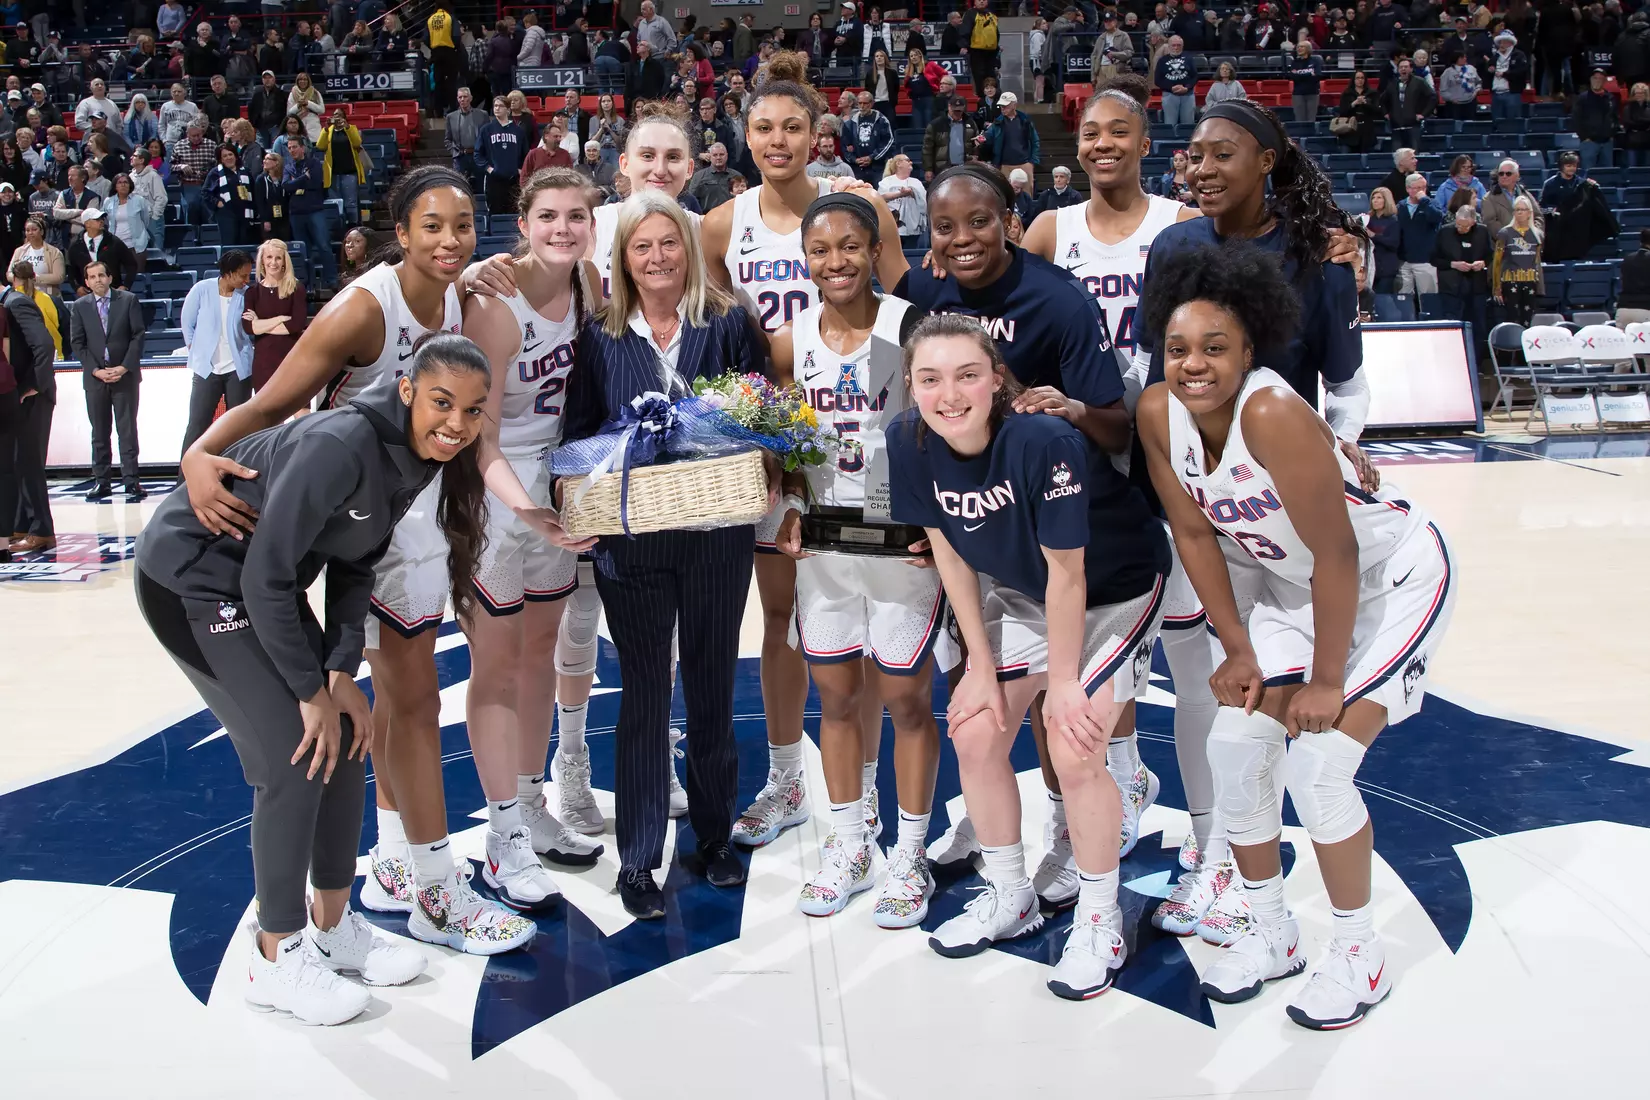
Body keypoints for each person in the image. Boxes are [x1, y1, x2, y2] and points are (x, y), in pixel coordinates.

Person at [178, 167, 560, 954]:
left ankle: (393, 859)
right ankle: (434, 889)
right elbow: (273, 402)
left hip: (410, 517)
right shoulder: (363, 307)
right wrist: (196, 456)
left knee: (396, 703)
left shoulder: (466, 295)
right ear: (401, 228)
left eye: (462, 225)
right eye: (431, 226)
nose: (450, 241)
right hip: (362, 517)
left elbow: (556, 250)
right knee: (413, 701)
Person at [1136, 240, 1455, 1031]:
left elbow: (1340, 553)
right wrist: (1238, 649)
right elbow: (1196, 536)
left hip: (1388, 580)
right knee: (1235, 750)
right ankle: (1271, 933)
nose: (1194, 365)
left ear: (1251, 348)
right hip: (1288, 586)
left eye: (1216, 347)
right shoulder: (1155, 413)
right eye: (1178, 349)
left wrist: (1323, 680)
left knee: (1318, 773)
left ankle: (1358, 954)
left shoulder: (1272, 412)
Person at [132, 337, 498, 1025]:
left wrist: (338, 672)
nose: (457, 424)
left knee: (350, 735)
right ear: (408, 388)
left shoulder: (423, 453)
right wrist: (310, 692)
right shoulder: (339, 443)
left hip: (258, 589)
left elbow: (358, 565)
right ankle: (275, 957)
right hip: (196, 583)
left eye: (474, 412)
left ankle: (334, 931)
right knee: (294, 758)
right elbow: (264, 575)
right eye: (444, 402)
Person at [889, 312, 1167, 997]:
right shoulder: (907, 440)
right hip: (1022, 594)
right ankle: (1009, 891)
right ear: (911, 385)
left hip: (1114, 588)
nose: (948, 394)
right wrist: (980, 667)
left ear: (996, 380)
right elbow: (950, 552)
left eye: (966, 376)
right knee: (975, 729)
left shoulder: (1044, 440)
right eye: (930, 379)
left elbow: (1070, 574)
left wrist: (1065, 683)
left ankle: (1101, 918)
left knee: (1073, 744)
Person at [704, 62, 907, 851]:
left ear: (817, 133)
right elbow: (725, 339)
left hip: (866, 435)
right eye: (763, 128)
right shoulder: (722, 225)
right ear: (744, 136)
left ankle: (872, 795)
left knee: (874, 621)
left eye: (792, 127)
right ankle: (788, 778)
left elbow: (906, 316)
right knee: (784, 616)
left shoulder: (861, 209)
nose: (778, 141)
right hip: (783, 440)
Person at [557, 191, 763, 919]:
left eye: (668, 244)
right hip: (633, 541)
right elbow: (578, 437)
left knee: (711, 685)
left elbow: (761, 414)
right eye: (641, 248)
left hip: (716, 534)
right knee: (644, 693)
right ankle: (639, 858)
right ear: (623, 261)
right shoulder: (600, 337)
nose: (657, 259)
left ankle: (713, 838)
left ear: (689, 249)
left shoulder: (729, 322)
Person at [768, 193, 939, 925]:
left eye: (848, 246)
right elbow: (785, 443)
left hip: (903, 540)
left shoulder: (912, 328)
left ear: (875, 251)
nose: (834, 261)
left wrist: (940, 518)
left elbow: (949, 423)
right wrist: (790, 509)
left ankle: (909, 854)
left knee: (904, 699)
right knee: (834, 696)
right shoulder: (790, 339)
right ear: (803, 258)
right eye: (819, 249)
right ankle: (849, 845)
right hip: (827, 544)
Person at [459, 168, 607, 911]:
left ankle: (528, 804)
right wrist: (525, 510)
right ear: (522, 222)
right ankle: (500, 838)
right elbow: (474, 438)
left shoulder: (591, 289)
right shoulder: (495, 303)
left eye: (576, 216)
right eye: (547, 215)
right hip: (494, 494)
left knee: (540, 657)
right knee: (494, 666)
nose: (562, 228)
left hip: (554, 483)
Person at [70, 259, 145, 501]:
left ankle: (131, 481)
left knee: (127, 430)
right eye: (92, 277)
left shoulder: (128, 301)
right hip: (96, 379)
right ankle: (102, 482)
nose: (98, 280)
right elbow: (77, 344)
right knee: (99, 433)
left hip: (124, 377)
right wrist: (95, 370)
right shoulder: (80, 306)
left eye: (101, 275)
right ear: (87, 282)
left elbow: (138, 336)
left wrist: (124, 367)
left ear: (110, 278)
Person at [180, 250, 256, 452]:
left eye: (249, 275)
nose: (247, 280)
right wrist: (195, 350)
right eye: (243, 275)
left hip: (238, 370)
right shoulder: (201, 289)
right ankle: (185, 480)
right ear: (228, 273)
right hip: (207, 369)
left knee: (239, 428)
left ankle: (237, 480)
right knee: (197, 426)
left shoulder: (247, 294)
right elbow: (187, 324)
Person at [3, 260, 53, 553]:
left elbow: (44, 346)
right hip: (18, 395)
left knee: (30, 463)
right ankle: (21, 524)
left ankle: (42, 530)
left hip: (33, 395)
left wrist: (34, 386)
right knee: (17, 462)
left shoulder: (16, 302)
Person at [243, 239, 307, 390]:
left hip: (291, 356)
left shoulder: (296, 288)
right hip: (264, 360)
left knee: (301, 409)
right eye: (269, 257)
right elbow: (248, 327)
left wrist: (260, 324)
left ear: (285, 261)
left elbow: (296, 325)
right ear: (262, 261)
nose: (274, 262)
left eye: (278, 258)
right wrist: (279, 319)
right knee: (266, 410)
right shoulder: (252, 292)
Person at [1431, 205, 1491, 336]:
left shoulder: (1483, 231)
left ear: (1474, 222)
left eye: (1465, 226)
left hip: (1476, 287)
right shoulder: (1444, 232)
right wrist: (1453, 264)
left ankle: (1477, 355)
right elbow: (1433, 258)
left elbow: (1490, 254)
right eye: (1458, 225)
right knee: (1452, 325)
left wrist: (1483, 263)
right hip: (1451, 288)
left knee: (1478, 326)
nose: (1461, 229)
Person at [1395, 173, 1442, 319]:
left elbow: (1436, 218)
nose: (1422, 191)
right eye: (1417, 188)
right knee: (1403, 298)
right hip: (1404, 261)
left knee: (1428, 298)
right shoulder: (1400, 206)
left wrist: (1424, 201)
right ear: (1408, 189)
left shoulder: (1431, 203)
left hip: (1425, 260)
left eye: (1423, 187)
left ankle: (1430, 325)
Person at [1492, 195, 1544, 327]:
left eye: (1523, 209)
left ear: (1529, 213)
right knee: (1512, 318)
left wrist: (1539, 285)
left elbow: (1537, 262)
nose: (1520, 212)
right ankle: (1513, 346)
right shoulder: (1504, 233)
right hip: (1511, 281)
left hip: (1530, 281)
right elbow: (1497, 262)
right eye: (1517, 209)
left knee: (1528, 319)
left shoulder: (1537, 234)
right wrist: (1496, 287)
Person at [477, 95, 527, 222]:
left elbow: (525, 154)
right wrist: (489, 169)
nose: (497, 108)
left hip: (513, 180)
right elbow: (478, 154)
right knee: (495, 213)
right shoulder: (486, 130)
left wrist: (520, 169)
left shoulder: (518, 131)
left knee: (514, 213)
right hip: (494, 180)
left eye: (500, 106)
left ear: (508, 110)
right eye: (495, 106)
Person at [981, 92, 1039, 196]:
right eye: (1001, 106)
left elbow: (1035, 141)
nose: (1003, 108)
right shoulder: (997, 123)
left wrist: (1032, 161)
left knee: (1027, 194)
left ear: (1014, 105)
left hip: (1024, 164)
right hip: (1004, 165)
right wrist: (982, 138)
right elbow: (987, 136)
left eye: (1005, 106)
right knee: (1005, 195)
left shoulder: (1025, 120)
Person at [67, 209, 137, 294]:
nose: (101, 221)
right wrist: (77, 287)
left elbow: (131, 264)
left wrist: (126, 285)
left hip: (112, 292)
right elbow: (70, 269)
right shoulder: (76, 244)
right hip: (88, 294)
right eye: (97, 219)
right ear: (87, 223)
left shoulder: (113, 241)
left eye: (102, 219)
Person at [317, 110, 365, 226]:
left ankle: (353, 226)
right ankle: (339, 226)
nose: (336, 117)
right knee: (336, 203)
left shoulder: (351, 129)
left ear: (344, 118)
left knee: (351, 203)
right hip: (333, 173)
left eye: (339, 115)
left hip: (349, 172)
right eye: (335, 115)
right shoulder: (329, 131)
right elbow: (320, 145)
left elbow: (357, 143)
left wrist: (347, 127)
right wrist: (326, 128)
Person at [202, 144, 253, 249]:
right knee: (229, 246)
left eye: (230, 154)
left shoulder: (245, 171)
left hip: (244, 214)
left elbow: (253, 190)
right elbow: (205, 192)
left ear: (235, 156)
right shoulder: (216, 172)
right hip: (226, 214)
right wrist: (217, 203)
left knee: (244, 245)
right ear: (221, 159)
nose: (228, 158)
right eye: (225, 156)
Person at [840, 89, 894, 185]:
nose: (862, 106)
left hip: (877, 167)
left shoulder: (881, 120)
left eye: (865, 103)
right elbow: (845, 144)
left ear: (872, 103)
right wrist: (854, 160)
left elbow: (888, 141)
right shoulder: (851, 122)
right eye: (860, 103)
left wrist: (872, 157)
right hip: (858, 168)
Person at [1380, 58, 1434, 151]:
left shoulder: (1419, 82)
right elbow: (1382, 100)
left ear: (1411, 69)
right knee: (1397, 156)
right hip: (1396, 126)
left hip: (1413, 126)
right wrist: (1386, 113)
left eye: (1406, 67)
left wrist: (1424, 114)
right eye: (1401, 67)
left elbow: (1432, 97)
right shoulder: (1393, 83)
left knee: (1413, 154)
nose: (1403, 69)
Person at [1573, 69, 1619, 176]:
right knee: (1588, 173)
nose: (1597, 81)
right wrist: (1584, 137)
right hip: (1589, 142)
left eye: (1600, 78)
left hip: (1607, 142)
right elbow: (1576, 119)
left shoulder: (1610, 98)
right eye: (1595, 78)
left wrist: (1612, 134)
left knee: (1608, 173)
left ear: (1604, 81)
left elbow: (1615, 117)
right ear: (1590, 80)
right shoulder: (1583, 98)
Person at [923, 95, 979, 182]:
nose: (957, 113)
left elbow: (975, 144)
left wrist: (975, 155)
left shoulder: (970, 123)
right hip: (943, 168)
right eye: (954, 110)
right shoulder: (936, 125)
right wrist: (928, 169)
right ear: (949, 107)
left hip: (965, 168)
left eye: (959, 111)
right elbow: (927, 149)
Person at [877, 154, 926, 250]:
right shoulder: (887, 181)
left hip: (912, 229)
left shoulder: (916, 182)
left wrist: (912, 192)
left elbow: (924, 202)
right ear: (898, 163)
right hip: (893, 229)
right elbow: (881, 198)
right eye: (907, 160)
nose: (911, 162)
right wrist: (900, 194)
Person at [8, 214, 62, 292]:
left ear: (42, 231)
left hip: (47, 295)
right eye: (27, 230)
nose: (30, 233)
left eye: (34, 229)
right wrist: (20, 278)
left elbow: (59, 277)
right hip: (22, 296)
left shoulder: (55, 252)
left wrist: (34, 278)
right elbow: (9, 274)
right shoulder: (19, 251)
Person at [1286, 40, 1324, 121]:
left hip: (1312, 93)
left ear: (1308, 49)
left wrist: (1299, 75)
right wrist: (1309, 74)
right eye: (1298, 47)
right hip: (1298, 94)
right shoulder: (1294, 63)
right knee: (1299, 119)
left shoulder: (1315, 61)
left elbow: (1317, 76)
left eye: (1302, 47)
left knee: (1311, 119)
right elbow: (1293, 77)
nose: (1299, 48)